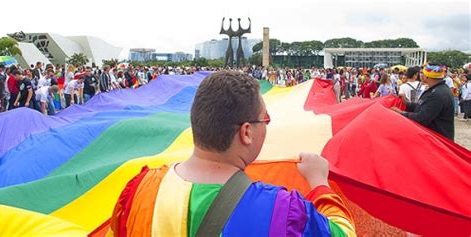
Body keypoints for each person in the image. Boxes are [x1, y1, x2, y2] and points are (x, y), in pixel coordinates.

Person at [102, 71, 356, 237]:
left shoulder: (138, 190)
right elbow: (343, 233)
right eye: (264, 119)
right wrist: (320, 183)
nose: (266, 125)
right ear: (246, 132)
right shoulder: (282, 210)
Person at [391, 65, 455, 140]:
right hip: (436, 136)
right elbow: (423, 105)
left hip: (438, 138)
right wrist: (407, 104)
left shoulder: (437, 94)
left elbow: (422, 118)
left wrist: (401, 113)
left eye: (422, 73)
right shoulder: (437, 89)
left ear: (427, 77)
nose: (420, 75)